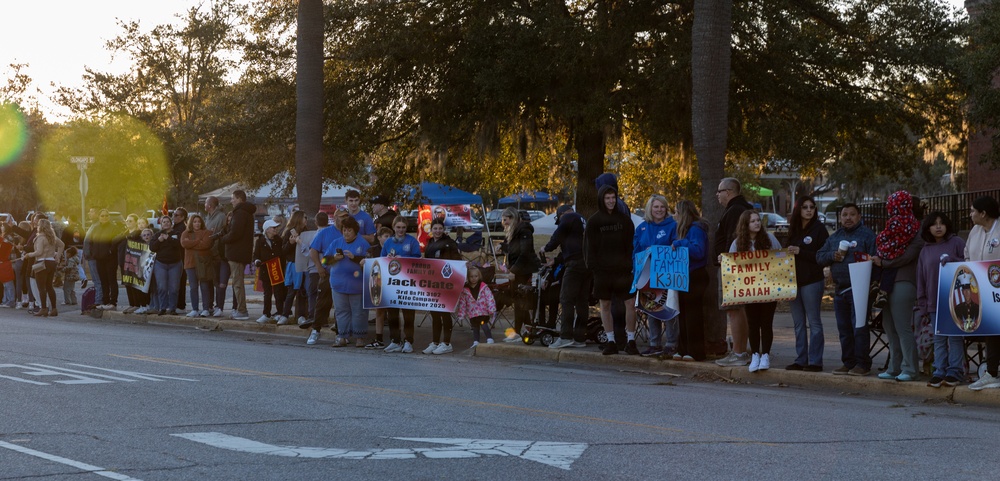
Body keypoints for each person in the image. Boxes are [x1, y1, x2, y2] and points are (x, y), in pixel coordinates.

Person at [816, 203, 877, 376]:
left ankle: (862, 364)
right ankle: (848, 362)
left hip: (860, 289)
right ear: (840, 217)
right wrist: (831, 255)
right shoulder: (835, 237)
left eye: (852, 214)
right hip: (840, 290)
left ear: (859, 216)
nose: (848, 218)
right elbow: (819, 256)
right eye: (844, 215)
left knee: (859, 328)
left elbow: (877, 258)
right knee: (844, 329)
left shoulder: (868, 236)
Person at [870, 191, 923, 382]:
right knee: (889, 327)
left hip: (904, 281)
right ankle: (894, 367)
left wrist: (883, 263)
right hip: (887, 282)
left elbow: (907, 257)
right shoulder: (890, 228)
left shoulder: (917, 230)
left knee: (902, 327)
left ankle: (910, 368)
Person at [585, 185, 638, 355]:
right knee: (605, 305)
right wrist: (594, 268)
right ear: (602, 199)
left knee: (630, 304)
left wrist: (629, 265)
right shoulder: (593, 221)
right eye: (607, 198)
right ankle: (610, 341)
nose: (610, 201)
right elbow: (588, 248)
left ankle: (631, 340)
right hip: (602, 272)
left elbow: (632, 245)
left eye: (613, 198)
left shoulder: (624, 220)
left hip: (623, 271)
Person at [915, 211, 966, 388]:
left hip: (955, 300)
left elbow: (968, 265)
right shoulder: (925, 250)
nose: (938, 227)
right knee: (939, 338)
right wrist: (922, 304)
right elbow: (921, 278)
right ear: (928, 227)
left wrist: (952, 260)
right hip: (933, 301)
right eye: (934, 224)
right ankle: (939, 371)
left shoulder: (956, 243)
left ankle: (955, 371)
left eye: (942, 223)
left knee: (955, 338)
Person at [727, 211, 781, 372]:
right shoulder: (738, 243)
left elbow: (779, 257)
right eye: (753, 221)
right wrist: (723, 260)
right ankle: (755, 354)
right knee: (753, 323)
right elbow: (731, 263)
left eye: (758, 220)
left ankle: (766, 355)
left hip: (768, 288)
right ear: (745, 224)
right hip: (749, 290)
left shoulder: (770, 239)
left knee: (766, 323)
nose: (757, 223)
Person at [784, 196, 830, 372]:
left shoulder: (819, 230)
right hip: (793, 281)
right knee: (798, 323)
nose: (809, 210)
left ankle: (815, 361)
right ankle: (800, 359)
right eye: (805, 207)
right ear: (799, 210)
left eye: (812, 207)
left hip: (812, 281)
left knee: (814, 322)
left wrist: (801, 252)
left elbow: (822, 257)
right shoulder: (793, 229)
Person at [714, 177, 755, 366]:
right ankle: (739, 351)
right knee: (737, 310)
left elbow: (735, 241)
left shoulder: (735, 211)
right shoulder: (740, 209)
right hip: (736, 267)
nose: (717, 195)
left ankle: (738, 353)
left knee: (734, 310)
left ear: (729, 192)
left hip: (732, 268)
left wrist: (726, 261)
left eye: (719, 192)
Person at [633, 194, 678, 356]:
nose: (659, 210)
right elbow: (636, 251)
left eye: (662, 207)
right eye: (656, 207)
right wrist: (636, 271)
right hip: (647, 274)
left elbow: (677, 247)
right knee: (651, 309)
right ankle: (654, 343)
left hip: (667, 273)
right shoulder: (642, 227)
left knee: (669, 309)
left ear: (666, 208)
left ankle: (671, 343)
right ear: (650, 209)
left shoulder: (673, 225)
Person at [540, 205, 591, 349]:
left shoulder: (568, 217)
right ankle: (580, 338)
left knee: (566, 299)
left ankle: (566, 336)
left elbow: (558, 235)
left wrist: (546, 247)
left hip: (574, 266)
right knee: (582, 300)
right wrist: (555, 261)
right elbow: (572, 246)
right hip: (586, 264)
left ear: (561, 215)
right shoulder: (581, 220)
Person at [967, 196, 1000, 391]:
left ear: (983, 213)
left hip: (997, 289)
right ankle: (992, 374)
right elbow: (967, 254)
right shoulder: (975, 231)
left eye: (973, 211)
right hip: (981, 290)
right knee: (992, 331)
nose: (970, 214)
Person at [671, 200, 710, 361]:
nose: (674, 216)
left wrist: (680, 243)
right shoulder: (686, 230)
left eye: (676, 212)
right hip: (685, 275)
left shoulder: (696, 229)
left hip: (695, 275)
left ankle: (695, 351)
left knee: (693, 314)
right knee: (684, 314)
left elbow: (698, 251)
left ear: (683, 214)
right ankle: (684, 348)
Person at [323, 216, 371, 347]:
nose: (346, 233)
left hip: (358, 286)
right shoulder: (335, 243)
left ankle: (360, 337)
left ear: (355, 231)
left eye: (349, 230)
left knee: (359, 312)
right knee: (341, 311)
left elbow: (370, 263)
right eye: (344, 230)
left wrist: (354, 258)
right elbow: (324, 261)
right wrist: (334, 258)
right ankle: (342, 336)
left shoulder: (363, 244)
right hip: (338, 284)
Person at [306, 210, 348, 345]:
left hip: (345, 275)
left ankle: (340, 333)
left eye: (346, 217)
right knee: (322, 303)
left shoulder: (349, 232)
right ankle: (315, 330)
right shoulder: (325, 232)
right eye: (341, 217)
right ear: (335, 218)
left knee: (342, 306)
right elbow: (313, 251)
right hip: (328, 273)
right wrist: (319, 267)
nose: (343, 220)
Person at [499, 207, 540, 342]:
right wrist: (503, 247)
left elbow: (524, 253)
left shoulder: (523, 231)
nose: (503, 222)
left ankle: (516, 332)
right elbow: (515, 249)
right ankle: (527, 328)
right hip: (519, 269)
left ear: (512, 218)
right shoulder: (516, 231)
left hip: (523, 270)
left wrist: (513, 270)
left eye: (505, 219)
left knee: (519, 301)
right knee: (519, 300)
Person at [381, 215, 422, 353]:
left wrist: (403, 259)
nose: (401, 230)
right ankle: (395, 340)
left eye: (403, 228)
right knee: (392, 313)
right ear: (394, 227)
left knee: (408, 314)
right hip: (392, 283)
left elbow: (418, 259)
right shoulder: (388, 242)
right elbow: (382, 259)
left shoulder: (412, 241)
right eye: (398, 227)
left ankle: (408, 341)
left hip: (407, 282)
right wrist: (388, 259)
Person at [422, 219, 461, 354]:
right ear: (431, 229)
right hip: (433, 283)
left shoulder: (450, 243)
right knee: (435, 314)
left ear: (443, 229)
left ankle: (447, 343)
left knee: (445, 313)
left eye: (440, 228)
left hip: (445, 284)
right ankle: (435, 342)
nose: (437, 231)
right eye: (435, 228)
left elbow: (457, 262)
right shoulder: (430, 242)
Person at [219, 190, 255, 320]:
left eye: (232, 198)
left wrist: (223, 239)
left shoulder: (239, 213)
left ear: (239, 198)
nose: (231, 201)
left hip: (236, 253)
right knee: (237, 281)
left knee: (237, 282)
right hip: (241, 252)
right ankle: (240, 309)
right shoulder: (247, 213)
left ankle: (241, 310)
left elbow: (235, 233)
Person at [25, 219, 65, 317]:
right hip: (51, 261)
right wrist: (57, 256)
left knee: (41, 287)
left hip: (41, 262)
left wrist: (29, 255)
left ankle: (43, 308)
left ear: (40, 226)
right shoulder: (52, 237)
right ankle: (54, 308)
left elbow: (39, 252)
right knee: (49, 286)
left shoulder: (40, 237)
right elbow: (62, 245)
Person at [181, 214, 215, 318]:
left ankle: (205, 309)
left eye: (199, 221)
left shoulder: (206, 232)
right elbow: (184, 244)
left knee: (204, 286)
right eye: (195, 221)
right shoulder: (186, 233)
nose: (197, 223)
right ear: (191, 223)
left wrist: (191, 243)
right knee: (193, 287)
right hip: (190, 263)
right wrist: (198, 241)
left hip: (203, 263)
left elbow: (206, 245)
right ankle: (194, 309)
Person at [253, 219, 287, 324]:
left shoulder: (279, 240)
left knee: (278, 293)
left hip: (277, 270)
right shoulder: (260, 241)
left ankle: (280, 313)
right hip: (265, 271)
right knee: (267, 293)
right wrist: (257, 261)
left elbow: (282, 255)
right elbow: (256, 255)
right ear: (267, 230)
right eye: (273, 228)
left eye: (276, 227)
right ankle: (266, 314)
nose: (275, 229)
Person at [365, 226, 393, 349]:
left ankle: (395, 339)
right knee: (379, 311)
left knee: (393, 313)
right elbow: (367, 263)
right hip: (378, 284)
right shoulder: (372, 250)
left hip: (392, 284)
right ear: (379, 238)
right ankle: (379, 338)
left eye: (390, 237)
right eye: (386, 236)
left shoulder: (394, 250)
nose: (388, 239)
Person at [455, 265, 497, 347]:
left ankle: (489, 338)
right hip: (472, 312)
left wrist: (491, 308)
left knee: (484, 324)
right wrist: (462, 313)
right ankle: (476, 341)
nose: (474, 278)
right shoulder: (465, 289)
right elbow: (463, 302)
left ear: (479, 276)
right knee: (475, 327)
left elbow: (489, 297)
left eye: (476, 276)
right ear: (468, 277)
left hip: (483, 311)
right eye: (471, 277)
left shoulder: (483, 287)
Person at [149, 215, 184, 316]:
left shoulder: (176, 233)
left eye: (168, 222)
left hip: (175, 264)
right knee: (162, 287)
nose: (166, 223)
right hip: (161, 264)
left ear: (171, 223)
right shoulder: (157, 235)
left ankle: (172, 308)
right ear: (161, 224)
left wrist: (168, 238)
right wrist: (159, 240)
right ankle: (163, 307)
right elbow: (152, 247)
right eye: (164, 222)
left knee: (174, 288)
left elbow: (178, 244)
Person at [278, 211, 308, 325]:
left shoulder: (306, 232)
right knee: (291, 292)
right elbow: (283, 251)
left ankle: (301, 315)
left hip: (304, 265)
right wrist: (290, 243)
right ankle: (285, 315)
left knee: (302, 292)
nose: (306, 220)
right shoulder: (288, 233)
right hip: (293, 265)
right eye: (304, 218)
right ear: (298, 219)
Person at [89, 209, 120, 310]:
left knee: (112, 280)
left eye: (106, 215)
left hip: (110, 259)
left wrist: (110, 251)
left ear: (109, 217)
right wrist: (93, 253)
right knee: (103, 281)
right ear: (99, 217)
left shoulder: (114, 228)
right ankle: (105, 301)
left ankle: (113, 302)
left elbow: (116, 242)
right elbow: (92, 241)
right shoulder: (96, 228)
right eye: (102, 216)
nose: (104, 217)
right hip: (99, 259)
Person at [203, 195, 228, 317]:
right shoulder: (208, 217)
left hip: (217, 254)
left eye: (206, 203)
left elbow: (217, 234)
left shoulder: (220, 217)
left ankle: (219, 306)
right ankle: (210, 305)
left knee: (218, 282)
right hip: (208, 254)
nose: (204, 205)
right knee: (209, 281)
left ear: (210, 205)